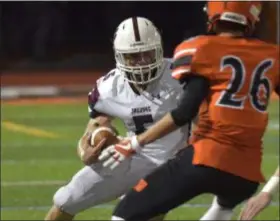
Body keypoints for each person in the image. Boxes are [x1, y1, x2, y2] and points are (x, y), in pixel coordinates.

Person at [98, 2, 280, 220]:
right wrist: (269, 191)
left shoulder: (203, 48)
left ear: (213, 14)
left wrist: (136, 142)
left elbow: (184, 112)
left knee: (124, 213)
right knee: (222, 208)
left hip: (207, 158)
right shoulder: (273, 55)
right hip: (247, 176)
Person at [44, 17, 194, 221]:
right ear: (120, 57)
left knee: (140, 213)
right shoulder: (109, 88)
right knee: (66, 199)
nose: (141, 62)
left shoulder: (181, 75)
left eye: (146, 54)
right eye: (133, 56)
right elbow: (95, 129)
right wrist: (84, 150)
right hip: (129, 153)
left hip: (172, 161)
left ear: (158, 51)